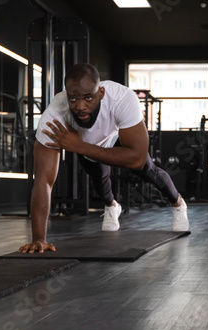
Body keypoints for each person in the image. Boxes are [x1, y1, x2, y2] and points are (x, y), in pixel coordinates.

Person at [18, 63, 189, 253]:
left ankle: (178, 204)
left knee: (148, 170)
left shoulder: (121, 98)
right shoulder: (54, 116)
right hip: (88, 146)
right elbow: (43, 180)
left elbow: (137, 158)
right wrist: (39, 239)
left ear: (101, 93)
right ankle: (112, 206)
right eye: (73, 98)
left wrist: (79, 146)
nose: (80, 106)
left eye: (88, 98)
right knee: (99, 180)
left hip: (115, 138)